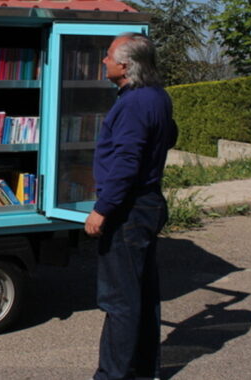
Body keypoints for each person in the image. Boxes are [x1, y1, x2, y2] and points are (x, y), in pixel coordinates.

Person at [85, 33, 177, 380]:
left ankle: (113, 375)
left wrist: (103, 208)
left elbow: (127, 160)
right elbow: (170, 136)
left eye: (108, 56)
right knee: (142, 293)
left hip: (129, 210)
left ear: (125, 65)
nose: (104, 62)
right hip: (147, 204)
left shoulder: (135, 103)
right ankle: (143, 370)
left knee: (120, 300)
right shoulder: (156, 97)